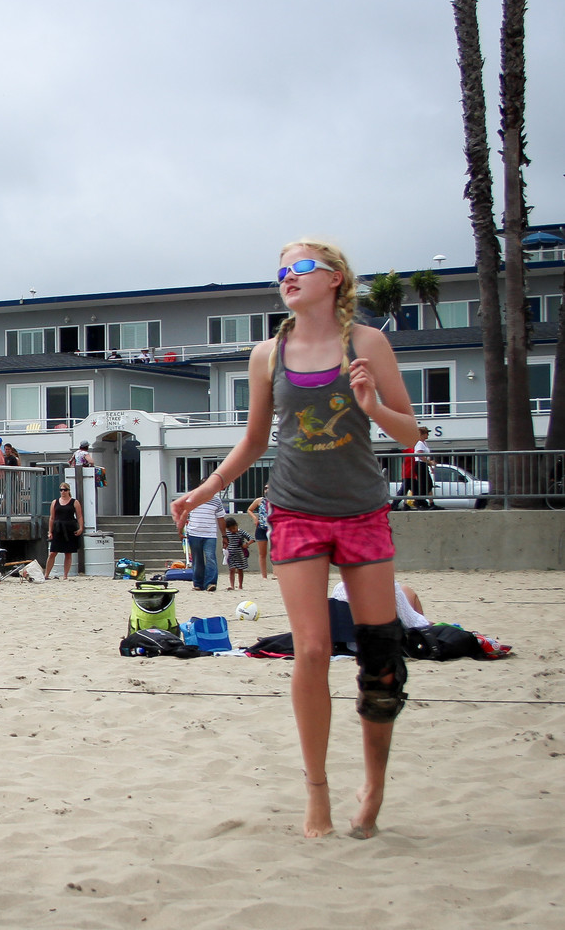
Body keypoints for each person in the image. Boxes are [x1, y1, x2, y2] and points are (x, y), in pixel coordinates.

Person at [171, 239, 419, 840]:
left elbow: (411, 433)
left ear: (335, 278)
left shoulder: (368, 344)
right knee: (310, 650)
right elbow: (255, 440)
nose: (288, 276)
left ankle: (374, 785)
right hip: (296, 511)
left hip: (362, 513)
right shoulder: (268, 355)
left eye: (302, 267)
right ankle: (318, 794)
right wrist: (205, 491)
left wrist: (371, 406)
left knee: (380, 657)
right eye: (282, 270)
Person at [179, 492, 225, 592]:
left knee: (210, 557)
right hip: (194, 533)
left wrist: (224, 535)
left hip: (210, 534)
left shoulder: (216, 500)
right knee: (197, 559)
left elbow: (221, 518)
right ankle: (198, 583)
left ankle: (210, 583)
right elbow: (184, 514)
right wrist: (180, 530)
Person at [45, 482, 83, 580]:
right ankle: (46, 575)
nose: (63, 492)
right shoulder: (55, 502)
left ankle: (65, 575)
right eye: (61, 490)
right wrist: (50, 531)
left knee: (68, 553)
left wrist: (81, 528)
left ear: (68, 491)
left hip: (69, 528)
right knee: (52, 553)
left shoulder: (75, 502)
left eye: (65, 490)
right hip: (58, 528)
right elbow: (52, 518)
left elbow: (79, 516)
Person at [246, 483, 272, 579]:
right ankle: (264, 576)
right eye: (265, 488)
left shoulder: (277, 501)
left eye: (269, 488)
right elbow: (249, 509)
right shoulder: (259, 500)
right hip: (261, 528)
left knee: (274, 551)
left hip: (273, 528)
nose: (267, 490)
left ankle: (275, 573)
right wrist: (254, 518)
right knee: (262, 553)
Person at [223, 516, 252, 590]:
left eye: (233, 528)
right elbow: (225, 541)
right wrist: (225, 546)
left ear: (236, 525)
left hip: (240, 554)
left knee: (240, 569)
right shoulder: (227, 533)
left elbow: (251, 538)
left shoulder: (241, 532)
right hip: (231, 554)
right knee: (231, 569)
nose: (232, 531)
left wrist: (246, 544)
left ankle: (240, 585)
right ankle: (232, 585)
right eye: (230, 529)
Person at [412, 426, 438, 510]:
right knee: (424, 484)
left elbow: (425, 456)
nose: (428, 435)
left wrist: (430, 465)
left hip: (424, 464)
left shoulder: (424, 443)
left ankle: (431, 503)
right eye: (426, 433)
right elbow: (420, 455)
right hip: (420, 464)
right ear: (422, 434)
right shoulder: (419, 443)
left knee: (428, 484)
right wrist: (429, 462)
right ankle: (419, 501)